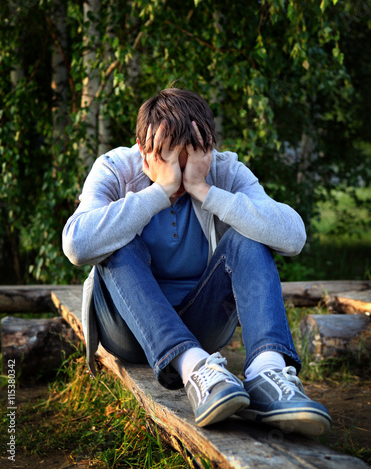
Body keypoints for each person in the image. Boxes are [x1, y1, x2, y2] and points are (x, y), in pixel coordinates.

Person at [62, 87, 332, 435]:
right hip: (126, 329)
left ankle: (267, 373)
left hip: (201, 324)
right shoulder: (116, 168)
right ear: (144, 150)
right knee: (115, 243)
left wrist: (204, 189)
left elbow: (293, 236)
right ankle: (194, 369)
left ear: (207, 148)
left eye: (187, 161)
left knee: (249, 237)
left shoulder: (221, 170)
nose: (176, 175)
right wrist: (158, 191)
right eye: (166, 160)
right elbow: (77, 245)